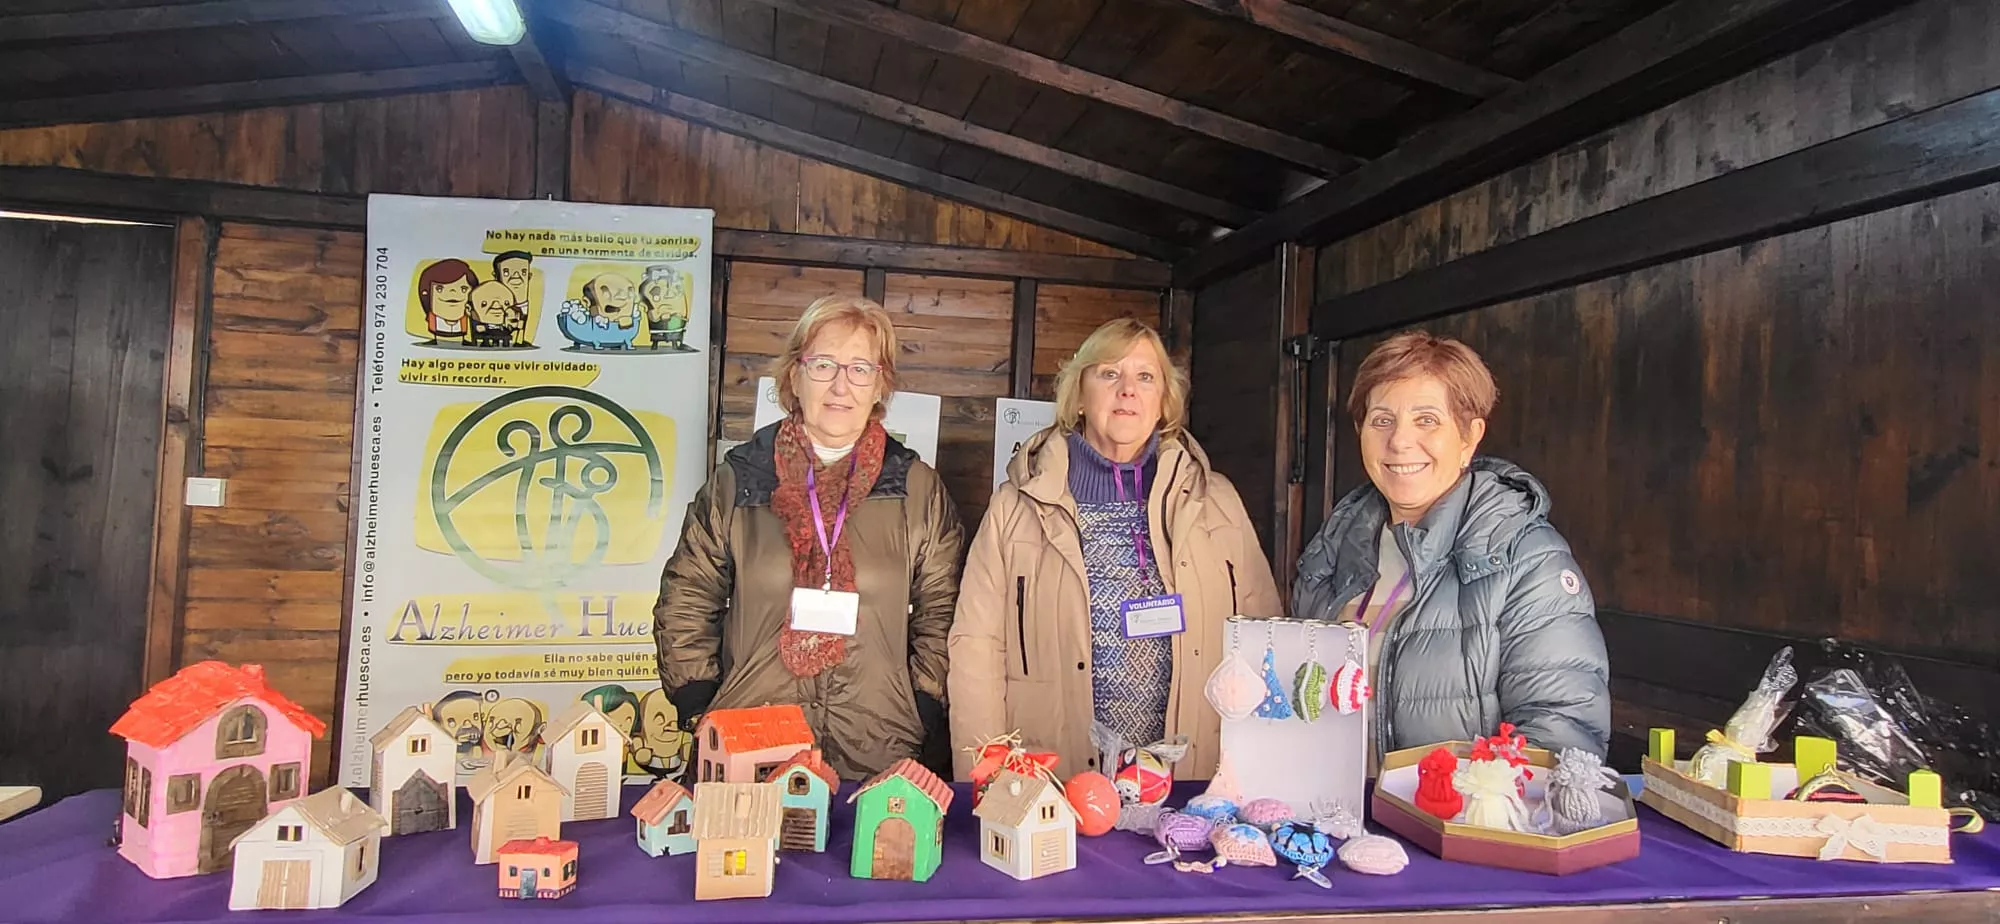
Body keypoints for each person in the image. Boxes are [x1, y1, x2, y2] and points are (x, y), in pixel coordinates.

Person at [947, 318, 1282, 782]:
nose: (1128, 390)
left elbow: (1262, 634)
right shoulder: (1015, 506)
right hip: (1052, 775)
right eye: (1109, 373)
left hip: (1196, 777)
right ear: (1079, 395)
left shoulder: (1217, 501)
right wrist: (985, 776)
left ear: (1163, 401)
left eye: (1145, 377)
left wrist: (1264, 771)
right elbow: (976, 650)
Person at [653, 295, 964, 781]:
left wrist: (923, 705)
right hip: (750, 740)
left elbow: (945, 610)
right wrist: (699, 700)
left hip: (880, 745)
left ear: (880, 384)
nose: (842, 385)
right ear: (794, 376)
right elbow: (687, 599)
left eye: (861, 368)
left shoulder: (915, 488)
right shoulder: (739, 480)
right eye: (823, 365)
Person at [1292, 331, 1609, 771]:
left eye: (1426, 420)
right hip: (1329, 817)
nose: (1400, 441)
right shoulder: (1334, 546)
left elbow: (1561, 734)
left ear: (1469, 436)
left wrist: (1451, 814)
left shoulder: (1525, 557)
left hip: (1444, 827)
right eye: (1382, 420)